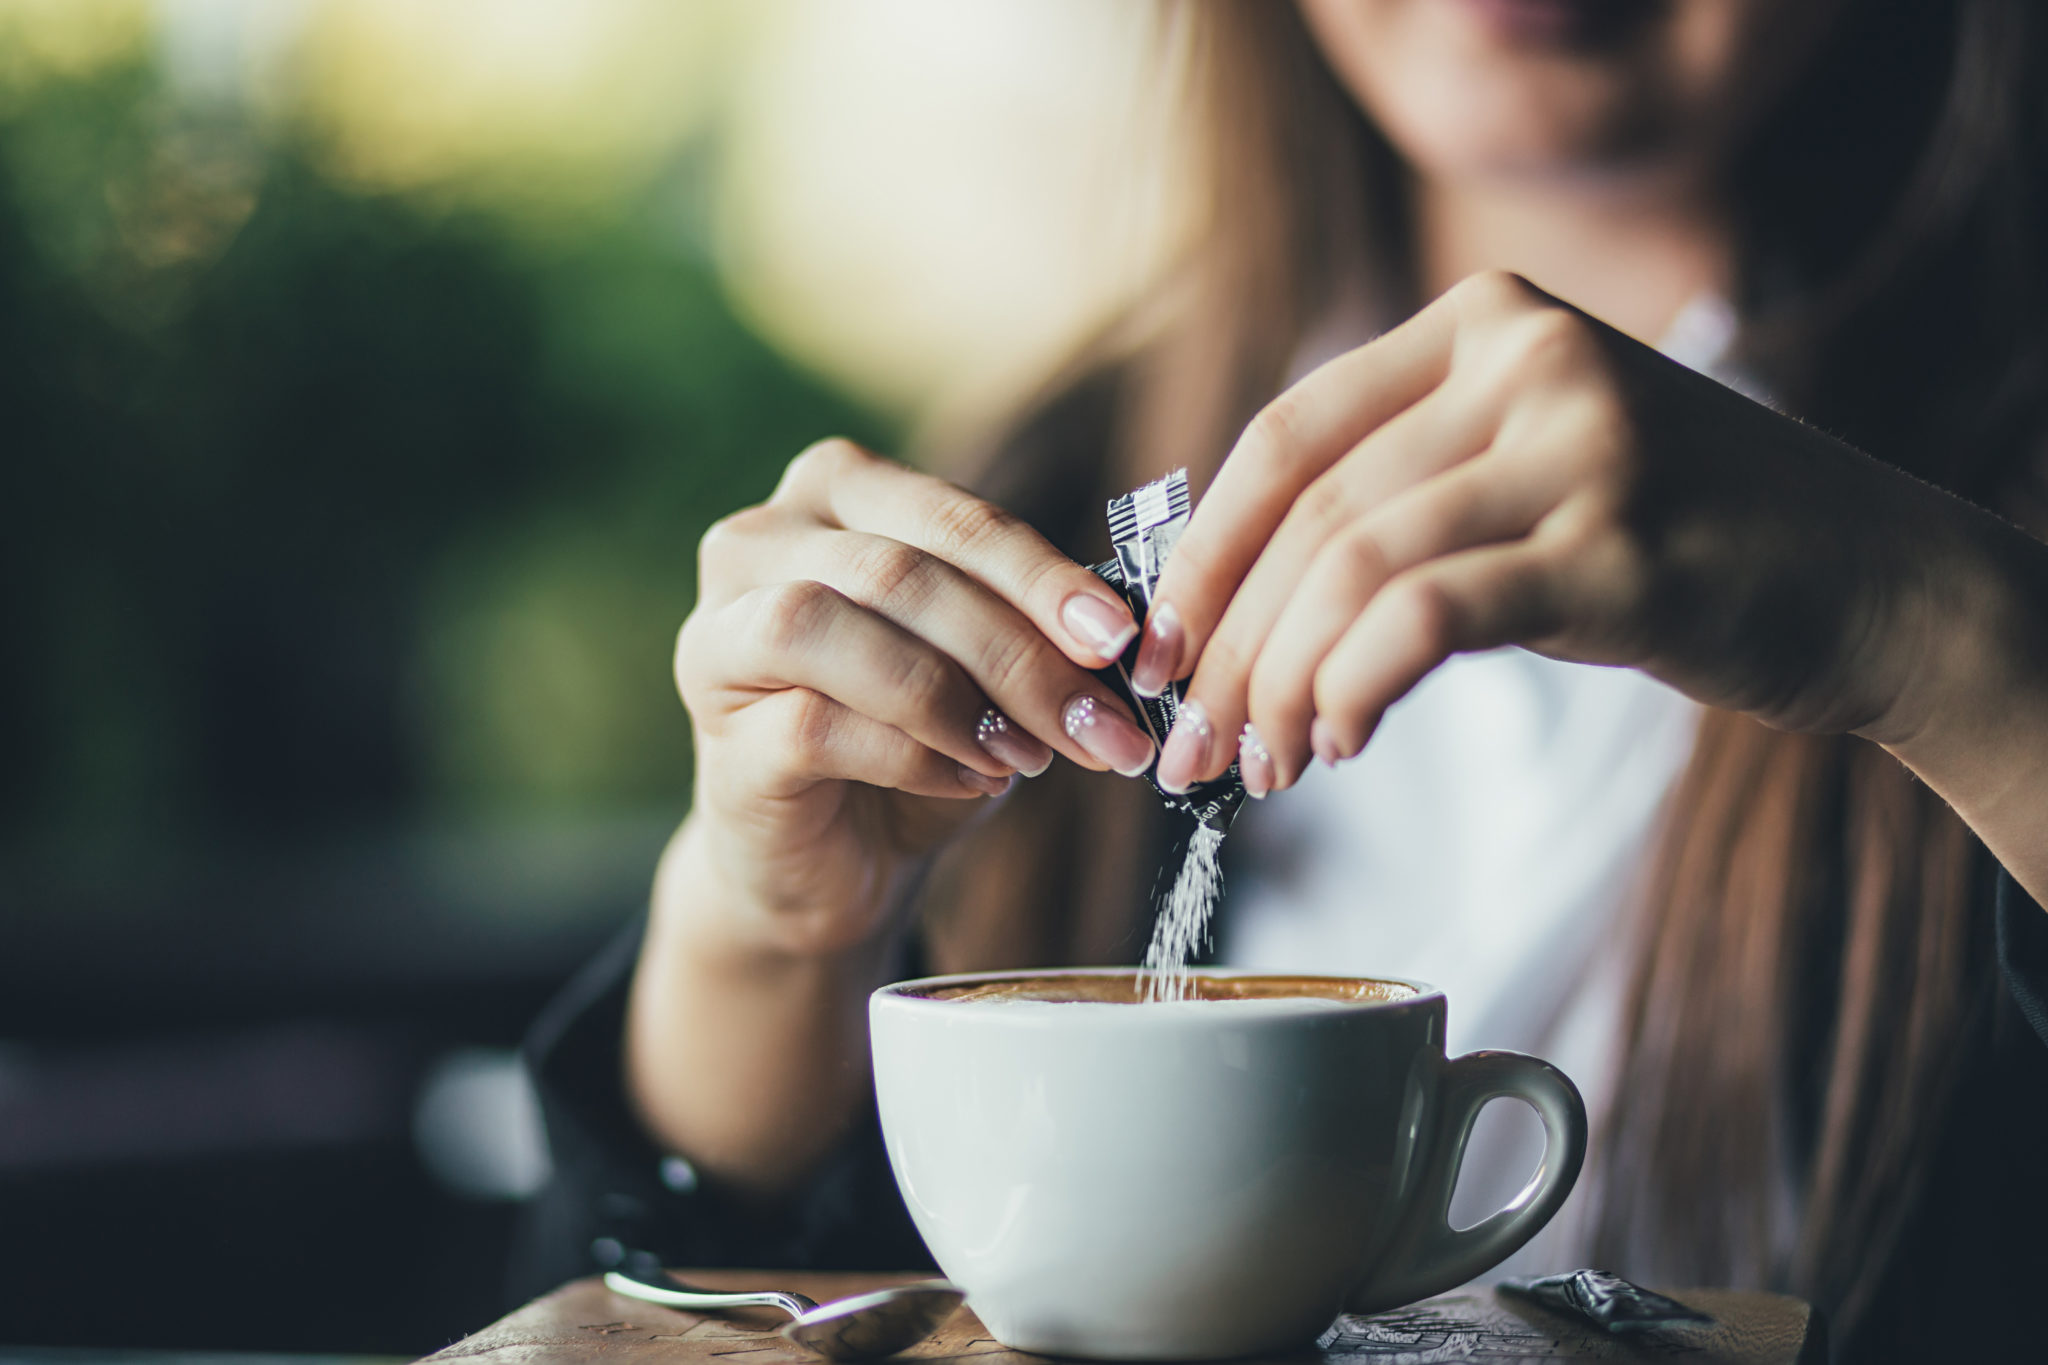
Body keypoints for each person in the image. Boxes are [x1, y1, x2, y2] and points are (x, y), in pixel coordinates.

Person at [517, 2, 2048, 1358]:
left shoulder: (1980, 560)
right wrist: (765, 938)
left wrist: (1942, 636)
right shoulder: (1046, 500)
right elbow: (631, 1314)